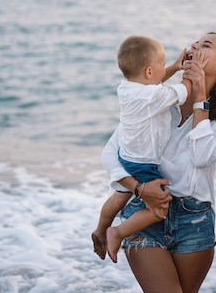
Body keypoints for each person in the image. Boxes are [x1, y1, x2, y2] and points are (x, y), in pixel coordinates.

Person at [101, 30, 216, 293]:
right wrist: (139, 189)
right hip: (143, 210)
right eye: (195, 42)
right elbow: (111, 154)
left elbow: (202, 157)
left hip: (194, 220)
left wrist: (200, 97)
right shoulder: (159, 98)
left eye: (206, 45)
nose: (195, 46)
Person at [91, 35, 193, 263]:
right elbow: (181, 92)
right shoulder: (152, 96)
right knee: (160, 208)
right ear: (148, 72)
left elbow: (154, 81)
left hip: (127, 157)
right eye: (161, 63)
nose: (163, 68)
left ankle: (100, 228)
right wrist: (191, 76)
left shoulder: (128, 88)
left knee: (119, 197)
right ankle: (117, 232)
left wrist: (175, 67)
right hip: (143, 163)